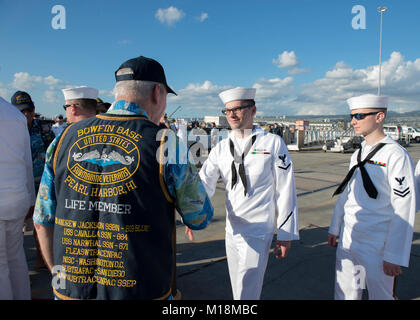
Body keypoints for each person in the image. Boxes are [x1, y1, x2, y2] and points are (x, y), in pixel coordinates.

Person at [33, 56, 213, 300]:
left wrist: (59, 278)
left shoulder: (63, 139)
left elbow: (42, 220)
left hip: (70, 292)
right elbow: (199, 217)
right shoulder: (166, 143)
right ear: (157, 93)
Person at [198, 87, 299, 300]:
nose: (232, 114)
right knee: (238, 287)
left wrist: (285, 234)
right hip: (232, 229)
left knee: (247, 290)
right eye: (227, 111)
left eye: (238, 109)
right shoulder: (222, 147)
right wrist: (194, 212)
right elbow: (204, 180)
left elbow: (285, 188)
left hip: (258, 230)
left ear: (253, 110)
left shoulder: (272, 143)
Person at [328, 94, 417, 300]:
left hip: (378, 245)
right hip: (350, 240)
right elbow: (347, 194)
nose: (353, 121)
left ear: (379, 117)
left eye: (359, 116)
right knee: (346, 294)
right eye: (352, 116)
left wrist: (395, 255)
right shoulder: (358, 153)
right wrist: (335, 226)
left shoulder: (395, 155)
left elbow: (404, 207)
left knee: (380, 296)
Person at [11, 90, 55, 269]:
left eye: (29, 110)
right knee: (16, 229)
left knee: (41, 223)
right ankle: (19, 265)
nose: (26, 114)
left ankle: (41, 258)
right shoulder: (8, 128)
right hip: (18, 185)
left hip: (40, 185)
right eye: (22, 111)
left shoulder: (43, 128)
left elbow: (53, 153)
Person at [0, 96, 35, 300]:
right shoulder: (14, 114)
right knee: (16, 257)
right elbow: (27, 162)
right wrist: (30, 199)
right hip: (17, 196)